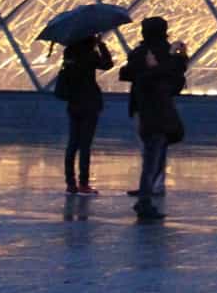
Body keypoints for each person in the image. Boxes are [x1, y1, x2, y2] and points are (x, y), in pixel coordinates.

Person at [118, 17, 187, 222]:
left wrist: (150, 69)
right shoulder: (170, 54)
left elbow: (126, 73)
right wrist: (177, 60)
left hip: (145, 108)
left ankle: (146, 196)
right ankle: (146, 197)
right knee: (153, 155)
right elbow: (177, 80)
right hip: (162, 110)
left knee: (150, 155)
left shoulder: (139, 53)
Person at [55, 35, 112, 195]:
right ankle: (83, 183)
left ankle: (70, 183)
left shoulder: (69, 53)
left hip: (73, 103)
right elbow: (107, 64)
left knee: (72, 143)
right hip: (89, 102)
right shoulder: (89, 54)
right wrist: (101, 45)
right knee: (85, 144)